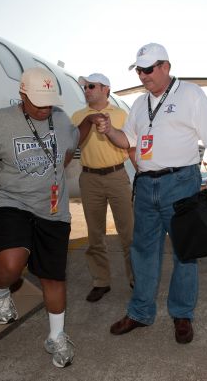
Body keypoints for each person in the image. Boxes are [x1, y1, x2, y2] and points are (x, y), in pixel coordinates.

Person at [94, 43, 207, 344]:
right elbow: (127, 139)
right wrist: (108, 130)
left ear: (166, 66)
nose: (143, 75)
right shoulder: (140, 104)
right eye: (139, 69)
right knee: (142, 252)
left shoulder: (191, 94)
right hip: (145, 184)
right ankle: (140, 312)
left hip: (180, 182)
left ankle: (182, 314)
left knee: (185, 252)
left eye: (149, 69)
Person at [0, 67, 79, 368]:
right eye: (37, 102)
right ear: (22, 94)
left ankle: (56, 337)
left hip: (53, 210)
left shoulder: (60, 120)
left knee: (54, 278)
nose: (45, 108)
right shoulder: (2, 121)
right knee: (11, 263)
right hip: (12, 201)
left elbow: (71, 145)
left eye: (49, 102)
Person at [72, 73, 135, 302]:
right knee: (95, 234)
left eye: (91, 86)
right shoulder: (78, 116)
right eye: (85, 87)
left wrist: (143, 173)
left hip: (117, 176)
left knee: (128, 233)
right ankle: (101, 281)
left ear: (106, 89)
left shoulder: (121, 115)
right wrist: (88, 122)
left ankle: (135, 279)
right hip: (89, 179)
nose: (86, 90)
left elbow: (130, 146)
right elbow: (73, 143)